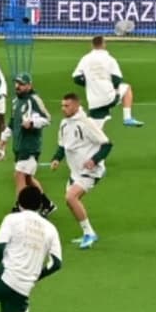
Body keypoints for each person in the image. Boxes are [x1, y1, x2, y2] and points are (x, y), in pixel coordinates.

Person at [50, 92, 112, 250]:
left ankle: (89, 233)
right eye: (62, 105)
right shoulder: (64, 123)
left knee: (71, 197)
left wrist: (94, 160)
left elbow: (107, 144)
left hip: (90, 171)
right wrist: (57, 159)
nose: (63, 108)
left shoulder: (86, 123)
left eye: (67, 105)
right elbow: (63, 145)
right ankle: (88, 232)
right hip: (75, 172)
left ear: (76, 106)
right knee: (70, 202)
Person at [8, 72, 56, 216]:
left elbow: (47, 119)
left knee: (19, 175)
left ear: (29, 85)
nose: (17, 86)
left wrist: (33, 123)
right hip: (19, 146)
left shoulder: (34, 99)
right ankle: (47, 204)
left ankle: (21, 208)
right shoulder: (15, 101)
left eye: (21, 84)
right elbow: (12, 122)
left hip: (30, 146)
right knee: (28, 178)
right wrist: (3, 138)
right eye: (17, 83)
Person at [72, 33, 143, 127]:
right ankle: (127, 118)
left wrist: (91, 83)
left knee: (95, 132)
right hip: (108, 98)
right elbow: (117, 80)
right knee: (126, 87)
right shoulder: (110, 59)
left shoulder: (85, 59)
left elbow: (76, 78)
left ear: (92, 45)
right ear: (104, 44)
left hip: (94, 101)